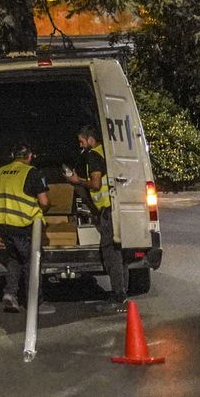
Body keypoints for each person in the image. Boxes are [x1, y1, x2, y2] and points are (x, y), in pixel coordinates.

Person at [64, 125, 126, 311]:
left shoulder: (93, 156)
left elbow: (96, 183)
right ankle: (122, 291)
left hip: (107, 210)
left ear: (91, 139)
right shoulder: (107, 151)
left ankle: (118, 296)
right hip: (115, 208)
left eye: (82, 141)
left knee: (110, 253)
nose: (80, 145)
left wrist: (77, 181)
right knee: (118, 251)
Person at [0, 143, 52, 314]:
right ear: (29, 156)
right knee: (31, 263)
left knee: (14, 259)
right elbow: (44, 202)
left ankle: (10, 294)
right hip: (23, 225)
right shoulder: (31, 172)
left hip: (4, 225)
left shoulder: (1, 171)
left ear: (14, 156)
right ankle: (36, 303)